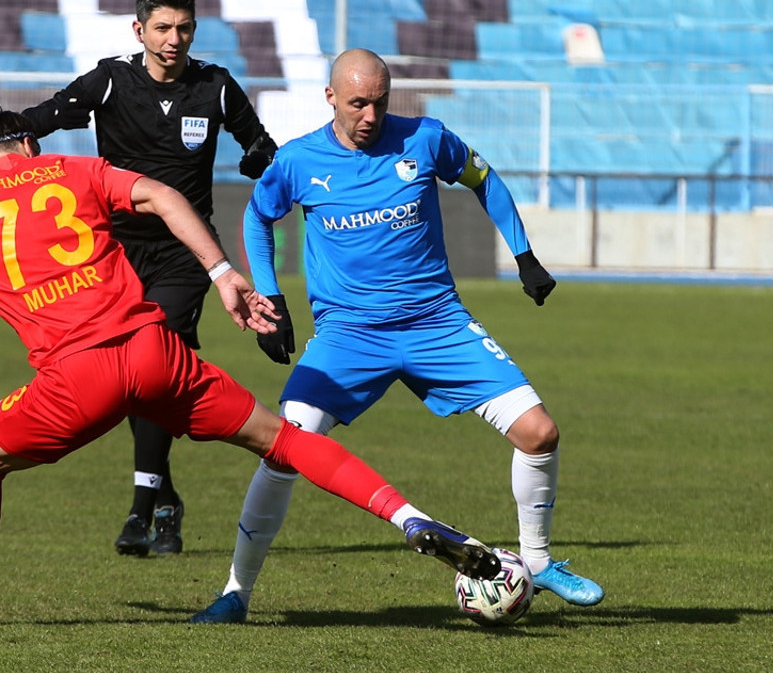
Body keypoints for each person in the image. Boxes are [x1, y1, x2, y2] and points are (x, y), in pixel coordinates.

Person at [0, 106, 503, 626]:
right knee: (283, 439)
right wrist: (223, 273)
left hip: (77, 378)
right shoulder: (74, 170)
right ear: (28, 147)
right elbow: (162, 195)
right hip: (158, 354)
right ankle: (409, 517)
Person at [190, 49, 604, 625]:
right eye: (357, 103)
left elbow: (484, 179)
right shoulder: (298, 160)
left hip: (438, 324)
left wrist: (524, 255)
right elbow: (259, 218)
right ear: (331, 97)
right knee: (284, 448)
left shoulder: (426, 139)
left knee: (540, 432)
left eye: (380, 103)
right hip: (348, 335)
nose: (370, 115)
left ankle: (536, 561)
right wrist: (272, 297)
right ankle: (236, 593)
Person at [22, 0, 280, 557]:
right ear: (139, 30)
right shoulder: (111, 80)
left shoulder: (214, 86)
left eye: (183, 28)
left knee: (155, 357)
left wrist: (260, 158)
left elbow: (259, 142)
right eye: (162, 28)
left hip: (186, 253)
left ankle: (141, 508)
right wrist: (6, 144)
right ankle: (166, 500)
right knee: (136, 378)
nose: (173, 39)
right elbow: (41, 118)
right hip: (115, 254)